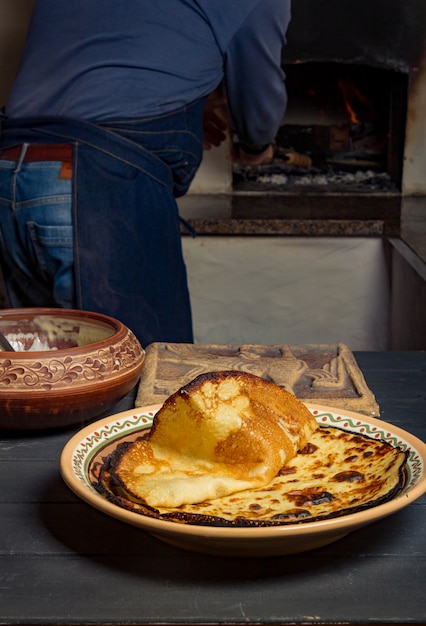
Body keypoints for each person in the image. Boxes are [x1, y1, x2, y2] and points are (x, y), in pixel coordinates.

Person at [0, 0, 291, 347]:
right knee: (143, 370)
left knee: (44, 378)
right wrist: (257, 146)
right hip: (97, 187)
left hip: (11, 171)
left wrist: (185, 109)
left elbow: (105, 68)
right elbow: (258, 94)